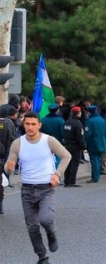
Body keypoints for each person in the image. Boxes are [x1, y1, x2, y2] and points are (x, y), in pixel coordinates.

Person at [5, 112, 72, 264]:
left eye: (33, 124)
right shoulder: (18, 143)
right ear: (24, 125)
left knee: (45, 219)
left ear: (39, 125)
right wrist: (9, 167)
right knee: (32, 227)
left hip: (46, 188)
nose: (30, 127)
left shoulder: (49, 141)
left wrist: (57, 173)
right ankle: (42, 256)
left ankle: (51, 233)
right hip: (27, 190)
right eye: (27, 124)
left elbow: (66, 155)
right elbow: (8, 167)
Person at [84, 105, 106, 184]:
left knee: (94, 160)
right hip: (102, 142)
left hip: (93, 143)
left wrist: (85, 143)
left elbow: (88, 134)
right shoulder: (102, 120)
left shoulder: (89, 121)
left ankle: (95, 177)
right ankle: (97, 175)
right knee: (99, 159)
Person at [63, 106, 85, 187]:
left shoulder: (67, 122)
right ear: (79, 113)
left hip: (67, 145)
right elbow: (80, 137)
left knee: (68, 163)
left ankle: (66, 181)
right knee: (74, 164)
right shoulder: (78, 124)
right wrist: (83, 146)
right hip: (75, 146)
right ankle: (72, 181)